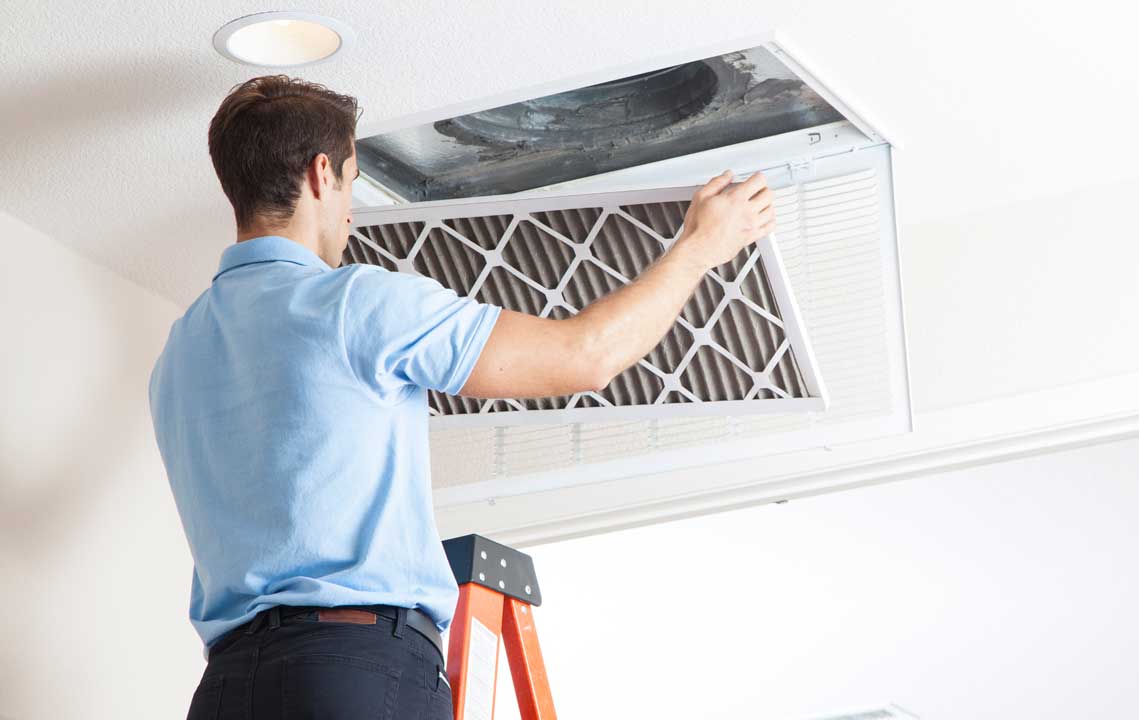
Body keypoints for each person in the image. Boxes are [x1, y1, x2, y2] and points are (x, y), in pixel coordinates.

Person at [150, 75, 776, 720]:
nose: (351, 212)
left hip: (226, 690)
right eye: (352, 181)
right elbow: (585, 357)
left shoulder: (179, 351)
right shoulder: (355, 301)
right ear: (321, 175)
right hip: (349, 667)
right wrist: (704, 246)